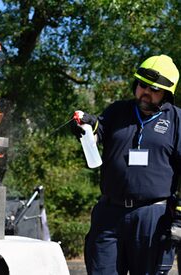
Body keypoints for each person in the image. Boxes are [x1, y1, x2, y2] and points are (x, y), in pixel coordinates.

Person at [71, 54, 181, 274]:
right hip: (109, 213)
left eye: (154, 89)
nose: (146, 92)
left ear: (167, 94)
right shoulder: (117, 111)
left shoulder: (177, 120)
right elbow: (96, 132)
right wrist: (86, 127)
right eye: (142, 85)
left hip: (153, 217)